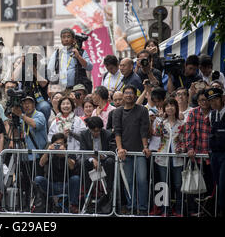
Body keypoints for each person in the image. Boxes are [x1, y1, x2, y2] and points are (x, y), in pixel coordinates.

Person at [113, 85, 151, 214]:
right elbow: (117, 132)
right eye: (126, 93)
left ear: (135, 95)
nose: (128, 95)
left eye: (131, 93)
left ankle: (143, 208)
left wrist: (145, 147)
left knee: (142, 180)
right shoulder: (117, 112)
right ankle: (131, 207)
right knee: (128, 181)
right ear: (123, 95)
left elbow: (144, 130)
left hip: (139, 152)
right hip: (125, 152)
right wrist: (119, 149)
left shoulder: (142, 110)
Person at [152, 98, 186, 216]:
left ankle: (179, 209)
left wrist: (181, 148)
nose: (170, 108)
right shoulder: (161, 123)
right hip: (162, 158)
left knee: (178, 185)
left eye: (172, 105)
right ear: (164, 108)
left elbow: (184, 140)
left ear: (176, 108)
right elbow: (156, 139)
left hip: (178, 158)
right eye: (167, 106)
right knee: (163, 184)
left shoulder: (182, 124)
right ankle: (164, 210)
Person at [205, 87, 225, 217]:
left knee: (224, 185)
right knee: (217, 184)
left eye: (216, 99)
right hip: (214, 155)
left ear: (222, 99)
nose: (214, 103)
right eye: (211, 100)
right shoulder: (211, 114)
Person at [34, 133, 81, 213]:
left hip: (66, 185)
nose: (58, 146)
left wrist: (65, 154)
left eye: (61, 144)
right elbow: (41, 163)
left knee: (75, 179)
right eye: (56, 144)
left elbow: (72, 166)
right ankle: (42, 204)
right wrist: (48, 151)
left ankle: (73, 205)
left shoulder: (69, 152)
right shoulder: (50, 152)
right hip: (51, 185)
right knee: (38, 179)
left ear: (65, 144)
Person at [185, 88, 214, 216]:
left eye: (206, 99)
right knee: (194, 186)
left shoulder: (215, 113)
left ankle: (208, 211)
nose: (204, 102)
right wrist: (190, 148)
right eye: (201, 100)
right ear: (198, 101)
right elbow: (189, 133)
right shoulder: (193, 113)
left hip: (211, 156)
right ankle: (192, 211)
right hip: (196, 156)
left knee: (209, 185)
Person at [13, 46, 52, 121]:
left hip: (39, 100)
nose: (32, 58)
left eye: (34, 55)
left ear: (40, 57)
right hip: (24, 100)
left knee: (45, 107)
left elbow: (43, 83)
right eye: (29, 56)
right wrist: (22, 62)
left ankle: (43, 128)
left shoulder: (44, 68)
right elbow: (14, 78)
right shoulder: (23, 67)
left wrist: (34, 70)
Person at [80, 116, 116, 193]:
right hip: (90, 160)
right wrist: (93, 160)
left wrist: (104, 156)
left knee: (110, 161)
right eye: (94, 131)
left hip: (104, 160)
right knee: (82, 163)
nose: (96, 133)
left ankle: (109, 190)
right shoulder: (83, 135)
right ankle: (88, 191)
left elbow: (112, 150)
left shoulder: (107, 134)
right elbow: (83, 150)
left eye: (98, 131)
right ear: (89, 128)